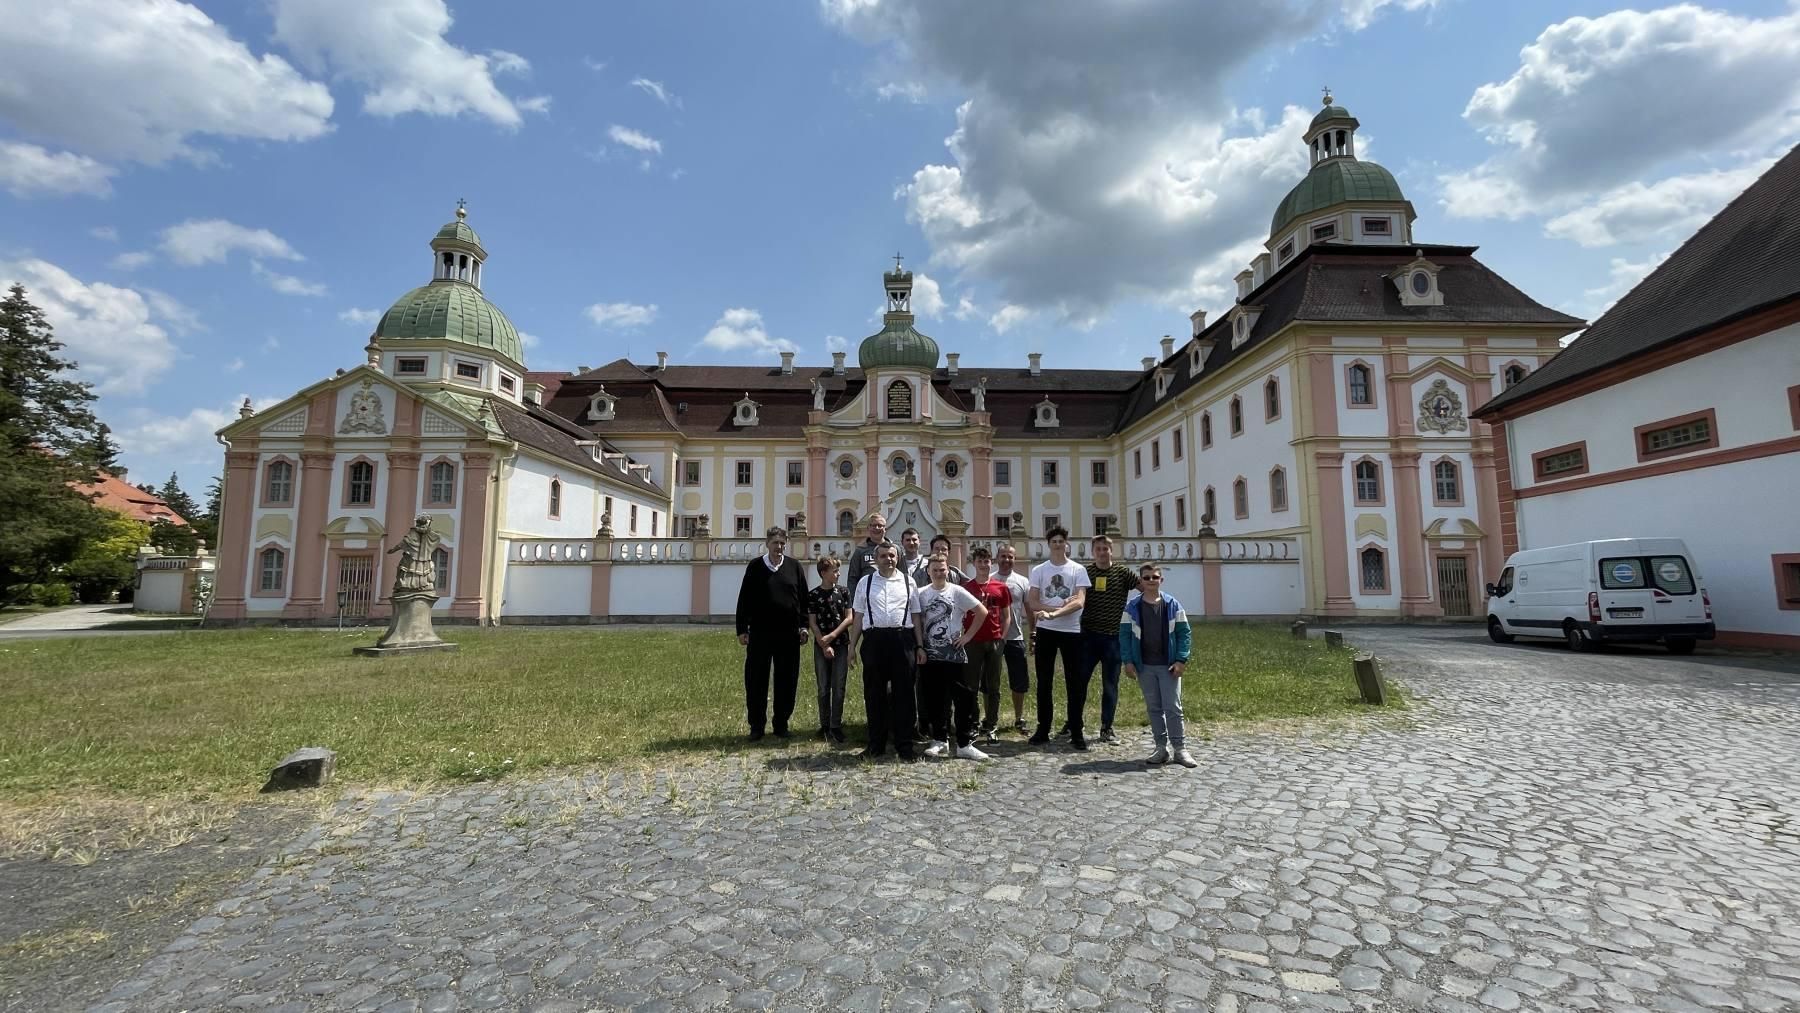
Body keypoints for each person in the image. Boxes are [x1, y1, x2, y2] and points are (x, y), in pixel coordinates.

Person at [847, 540, 924, 760]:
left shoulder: (909, 582)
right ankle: (876, 745)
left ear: (897, 558)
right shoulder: (865, 582)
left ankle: (905, 746)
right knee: (874, 694)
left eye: (891, 555)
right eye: (883, 556)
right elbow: (859, 615)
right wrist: (852, 646)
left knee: (905, 695)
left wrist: (919, 645)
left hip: (903, 639)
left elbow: (916, 615)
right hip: (874, 641)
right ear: (876, 559)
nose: (888, 559)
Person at [735, 527, 810, 741]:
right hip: (760, 633)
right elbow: (744, 599)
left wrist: (803, 626)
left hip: (789, 634)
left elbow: (803, 600)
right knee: (756, 680)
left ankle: (781, 723)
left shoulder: (794, 567)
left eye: (782, 543)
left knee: (787, 680)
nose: (779, 547)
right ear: (767, 543)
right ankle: (756, 726)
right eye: (775, 543)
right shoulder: (756, 567)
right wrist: (741, 628)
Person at [1120, 563, 1197, 768]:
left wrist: (1181, 660)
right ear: (1141, 581)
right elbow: (1125, 636)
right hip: (1144, 665)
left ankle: (1180, 750)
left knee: (1173, 707)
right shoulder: (1132, 607)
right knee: (1154, 708)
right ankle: (1160, 748)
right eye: (1147, 578)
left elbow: (1184, 634)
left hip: (1169, 665)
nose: (1151, 581)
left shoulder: (1172, 605)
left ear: (1161, 580)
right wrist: (1128, 661)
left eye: (1155, 577)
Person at [917, 553, 989, 760]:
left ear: (948, 571)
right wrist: (920, 646)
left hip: (955, 654)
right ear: (928, 572)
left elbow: (981, 611)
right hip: (931, 655)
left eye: (942, 569)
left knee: (963, 698)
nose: (939, 573)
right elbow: (917, 621)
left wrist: (967, 637)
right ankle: (940, 740)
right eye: (935, 570)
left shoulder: (957, 591)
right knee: (936, 699)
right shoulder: (921, 594)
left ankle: (965, 743)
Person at [1027, 526, 1091, 749]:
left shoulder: (1078, 570)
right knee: (1044, 682)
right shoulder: (1039, 570)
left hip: (1071, 632)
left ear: (1066, 544)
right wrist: (1049, 611)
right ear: (1048, 544)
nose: (1057, 544)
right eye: (1053, 541)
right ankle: (1043, 729)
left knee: (1075, 683)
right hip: (1046, 631)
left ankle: (1076, 731)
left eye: (1061, 541)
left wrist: (1054, 613)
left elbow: (1079, 602)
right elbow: (1033, 601)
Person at [1078, 534, 1139, 744]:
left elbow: (1144, 589)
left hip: (1114, 639)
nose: (1102, 552)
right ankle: (1074, 725)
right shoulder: (1085, 572)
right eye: (1098, 549)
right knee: (1080, 683)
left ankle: (1106, 728)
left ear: (1112, 551)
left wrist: (1136, 615)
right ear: (1092, 551)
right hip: (1088, 637)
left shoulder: (1123, 573)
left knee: (1110, 684)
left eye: (1106, 548)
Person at [962, 545, 1012, 744]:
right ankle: (973, 724)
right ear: (973, 563)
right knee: (971, 685)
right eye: (979, 561)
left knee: (993, 686)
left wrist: (1002, 637)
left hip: (994, 641)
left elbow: (1007, 616)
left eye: (986, 561)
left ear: (991, 563)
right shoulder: (967, 588)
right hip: (973, 641)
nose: (983, 565)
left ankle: (991, 724)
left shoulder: (1001, 587)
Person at [806, 556, 854, 745]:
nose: (838, 574)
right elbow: (812, 621)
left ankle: (836, 725)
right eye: (834, 571)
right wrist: (823, 643)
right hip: (821, 646)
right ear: (823, 573)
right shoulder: (813, 595)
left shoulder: (843, 592)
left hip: (840, 643)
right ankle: (824, 725)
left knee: (839, 686)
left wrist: (832, 637)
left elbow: (849, 618)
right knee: (823, 687)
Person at [997, 543, 1033, 734]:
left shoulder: (1022, 581)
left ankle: (1019, 717)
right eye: (1003, 556)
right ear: (997, 558)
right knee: (990, 680)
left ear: (1015, 559)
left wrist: (1033, 633)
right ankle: (990, 718)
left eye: (1010, 556)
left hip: (1016, 636)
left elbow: (1029, 609)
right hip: (994, 637)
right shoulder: (990, 579)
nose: (1007, 560)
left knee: (1019, 680)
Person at [844, 513, 888, 591]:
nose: (876, 528)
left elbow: (902, 576)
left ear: (885, 529)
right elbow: (852, 579)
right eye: (873, 525)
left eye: (880, 525)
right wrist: (853, 600)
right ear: (868, 528)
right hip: (866, 597)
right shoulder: (860, 551)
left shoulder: (894, 550)